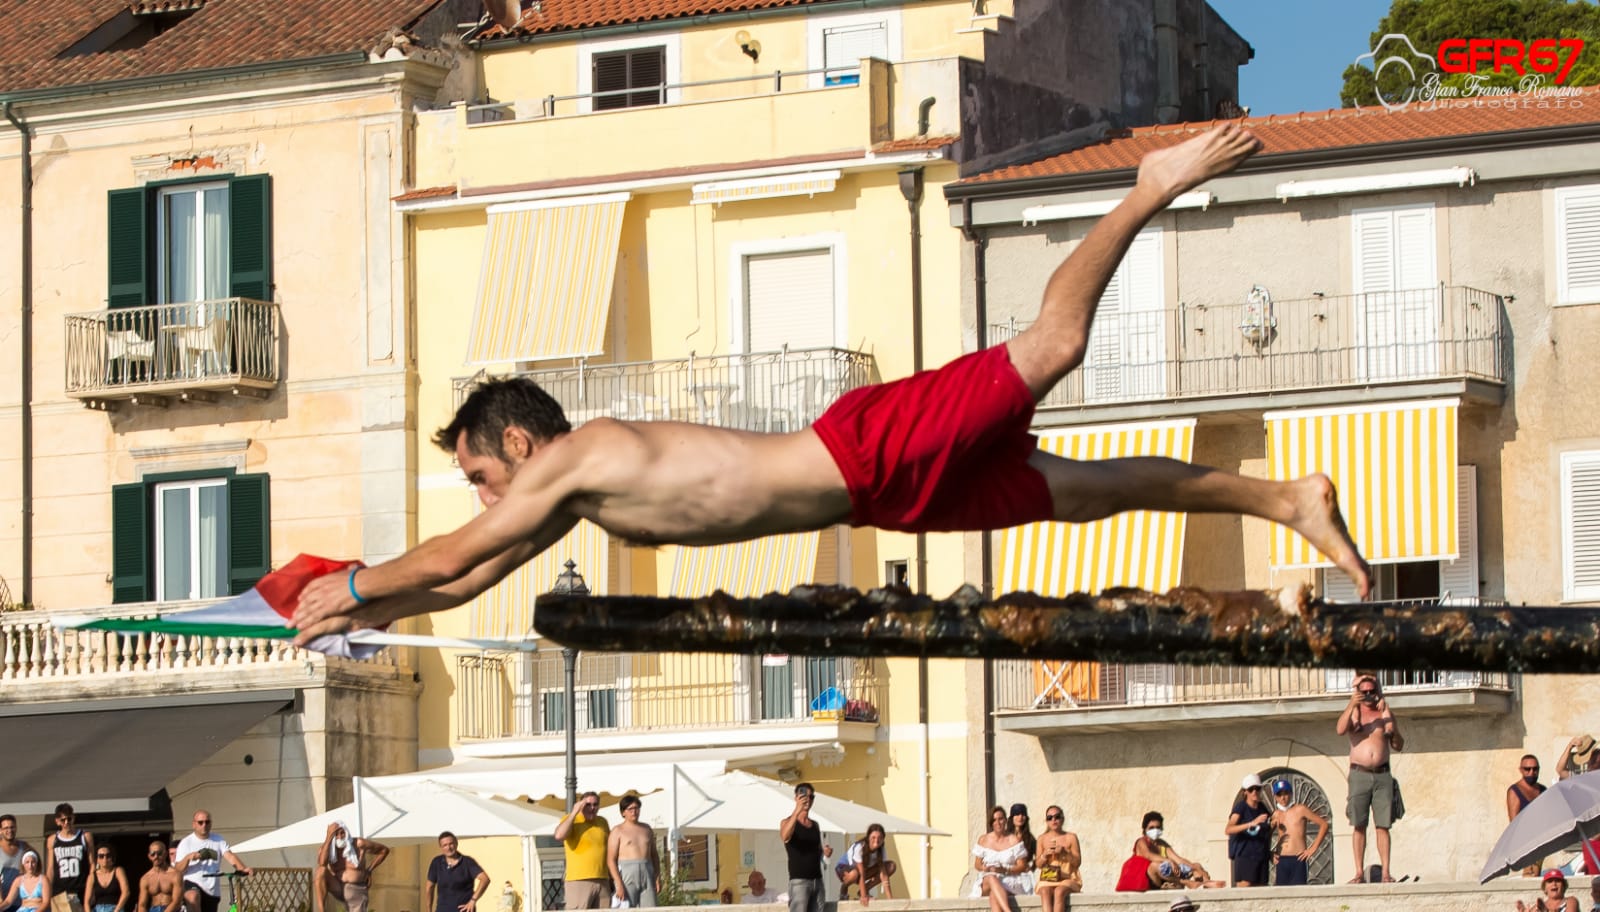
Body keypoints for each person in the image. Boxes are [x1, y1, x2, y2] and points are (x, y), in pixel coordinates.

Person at [290, 123, 1371, 645]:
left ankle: (1144, 191)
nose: (482, 495)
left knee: (1051, 347)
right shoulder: (564, 496)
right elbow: (465, 580)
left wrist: (357, 582)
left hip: (863, 447)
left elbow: (451, 552)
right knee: (1087, 492)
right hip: (883, 494)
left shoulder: (577, 457)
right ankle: (1282, 499)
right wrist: (352, 616)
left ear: (518, 443)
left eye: (479, 470)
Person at [1336, 673, 1403, 884]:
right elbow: (1339, 730)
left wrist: (1390, 727)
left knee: (1383, 825)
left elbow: (1399, 744)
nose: (1368, 696)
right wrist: (1351, 703)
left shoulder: (1385, 714)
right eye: (1363, 692)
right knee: (1359, 824)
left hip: (1382, 774)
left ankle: (1385, 872)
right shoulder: (1354, 714)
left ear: (1377, 691)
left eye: (1371, 691)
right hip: (1360, 774)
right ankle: (1358, 871)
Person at [1115, 811, 1221, 892]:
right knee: (1156, 865)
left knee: (1195, 865)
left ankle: (1205, 885)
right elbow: (1148, 855)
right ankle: (1187, 883)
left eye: (1157, 827)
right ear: (1145, 829)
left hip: (1166, 876)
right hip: (1148, 879)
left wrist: (1196, 867)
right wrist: (1168, 861)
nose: (1155, 830)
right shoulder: (1141, 842)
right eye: (1151, 828)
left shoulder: (1162, 844)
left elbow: (1178, 859)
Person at [175, 810, 252, 912]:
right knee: (193, 896)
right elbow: (177, 870)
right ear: (194, 824)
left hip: (211, 889)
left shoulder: (218, 839)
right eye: (200, 822)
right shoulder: (186, 843)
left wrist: (243, 869)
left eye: (207, 822)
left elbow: (230, 856)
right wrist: (188, 858)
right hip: (192, 883)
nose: (204, 825)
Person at [555, 792, 611, 910]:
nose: (592, 808)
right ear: (580, 805)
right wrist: (574, 812)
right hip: (579, 879)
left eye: (595, 805)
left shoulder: (602, 822)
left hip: (602, 878)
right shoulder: (571, 820)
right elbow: (559, 835)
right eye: (587, 805)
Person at [316, 822, 389, 912]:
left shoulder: (358, 844)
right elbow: (322, 863)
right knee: (320, 870)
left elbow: (384, 850)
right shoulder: (328, 849)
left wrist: (369, 870)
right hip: (338, 887)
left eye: (342, 833)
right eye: (336, 834)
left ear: (347, 832)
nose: (340, 837)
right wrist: (328, 837)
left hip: (356, 889)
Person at [780, 784, 831, 912]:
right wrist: (797, 810)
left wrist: (825, 854)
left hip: (817, 881)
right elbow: (785, 836)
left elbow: (817, 851)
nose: (808, 799)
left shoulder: (815, 825)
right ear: (796, 798)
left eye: (811, 797)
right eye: (804, 796)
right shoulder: (787, 822)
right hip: (799, 882)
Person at [1267, 779, 1327, 887]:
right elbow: (1266, 835)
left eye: (1285, 793)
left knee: (1299, 891)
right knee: (1282, 893)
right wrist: (1270, 853)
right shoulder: (1276, 814)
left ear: (1291, 794)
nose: (1283, 797)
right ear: (1275, 797)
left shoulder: (1300, 809)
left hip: (1298, 858)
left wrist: (1313, 848)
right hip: (1282, 859)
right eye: (1279, 795)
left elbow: (1324, 824)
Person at [972, 805, 1030, 912]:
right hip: (987, 880)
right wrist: (985, 868)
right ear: (991, 823)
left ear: (1006, 820)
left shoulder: (1014, 840)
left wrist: (1004, 869)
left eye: (1001, 819)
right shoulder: (983, 839)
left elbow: (1022, 866)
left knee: (994, 895)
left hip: (1008, 879)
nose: (998, 823)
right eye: (994, 820)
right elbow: (977, 864)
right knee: (991, 877)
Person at [606, 795, 660, 908]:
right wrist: (618, 884)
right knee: (626, 907)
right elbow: (611, 860)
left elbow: (654, 855)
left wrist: (657, 876)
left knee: (651, 908)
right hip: (627, 874)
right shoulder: (617, 831)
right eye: (630, 809)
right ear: (623, 812)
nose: (634, 812)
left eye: (636, 808)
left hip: (647, 871)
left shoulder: (647, 829)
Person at [1032, 804, 1082, 912]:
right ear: (1047, 821)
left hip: (1067, 877)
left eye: (1057, 816)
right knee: (1045, 892)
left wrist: (1065, 852)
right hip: (1048, 878)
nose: (1053, 820)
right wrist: (1045, 855)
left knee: (1059, 892)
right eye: (1050, 818)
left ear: (1062, 819)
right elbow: (1038, 864)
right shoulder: (1042, 839)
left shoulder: (1071, 837)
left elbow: (1077, 862)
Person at [1225, 775, 1272, 887]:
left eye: (1257, 788)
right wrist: (1252, 823)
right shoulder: (1241, 807)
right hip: (1245, 856)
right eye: (1251, 789)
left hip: (1261, 857)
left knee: (1261, 891)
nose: (1254, 792)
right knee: (1245, 888)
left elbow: (1267, 831)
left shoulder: (1262, 807)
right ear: (1245, 792)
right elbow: (1229, 829)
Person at [45, 804, 93, 912]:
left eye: (69, 819)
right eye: (63, 820)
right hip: (59, 891)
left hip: (80, 889)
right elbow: (50, 869)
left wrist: (92, 889)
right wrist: (47, 891)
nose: (66, 822)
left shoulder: (84, 836)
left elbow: (92, 865)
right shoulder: (53, 840)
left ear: (73, 818)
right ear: (57, 821)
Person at [425, 832, 487, 912]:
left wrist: (473, 900)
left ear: (456, 843)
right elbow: (429, 887)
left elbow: (484, 879)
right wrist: (428, 909)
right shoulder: (437, 862)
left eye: (451, 844)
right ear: (441, 847)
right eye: (445, 845)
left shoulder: (467, 862)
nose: (448, 847)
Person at [834, 824, 895, 905]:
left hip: (861, 872)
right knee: (855, 873)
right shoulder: (860, 847)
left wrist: (890, 899)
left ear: (883, 839)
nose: (876, 840)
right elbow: (861, 873)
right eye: (873, 837)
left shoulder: (881, 849)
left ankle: (864, 889)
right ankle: (844, 889)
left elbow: (884, 875)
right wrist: (864, 896)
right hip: (844, 869)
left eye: (879, 838)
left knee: (891, 866)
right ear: (868, 837)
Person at [1509, 755, 1548, 877]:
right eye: (1527, 769)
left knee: (1537, 876)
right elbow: (1514, 823)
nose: (1531, 772)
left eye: (1535, 769)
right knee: (1530, 875)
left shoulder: (1543, 790)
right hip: (1525, 843)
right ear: (1521, 770)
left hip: (1541, 841)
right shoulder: (1515, 790)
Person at [1, 815, 37, 912]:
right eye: (6, 828)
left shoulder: (24, 846)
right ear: (0, 830)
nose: (10, 830)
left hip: (22, 903)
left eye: (12, 827)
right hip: (3, 903)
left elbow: (37, 865)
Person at [134, 842, 180, 912]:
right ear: (149, 856)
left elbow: (177, 901)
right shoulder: (145, 878)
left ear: (165, 854)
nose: (156, 856)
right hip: (153, 909)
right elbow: (142, 904)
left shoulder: (175, 875)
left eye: (159, 853)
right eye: (153, 854)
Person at [84, 847, 128, 912]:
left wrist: (116, 910)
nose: (105, 858)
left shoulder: (118, 871)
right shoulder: (92, 876)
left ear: (112, 858)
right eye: (101, 856)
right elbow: (86, 902)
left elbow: (126, 892)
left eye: (108, 856)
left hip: (115, 907)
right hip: (98, 909)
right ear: (97, 859)